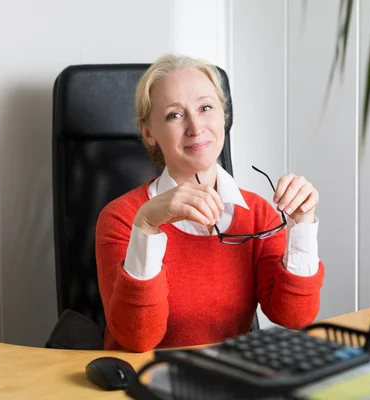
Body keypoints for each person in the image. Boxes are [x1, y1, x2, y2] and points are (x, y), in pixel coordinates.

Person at [95, 54, 325, 352]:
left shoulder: (257, 215)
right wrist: (147, 227)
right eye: (174, 115)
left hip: (225, 381)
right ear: (149, 132)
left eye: (206, 108)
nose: (195, 127)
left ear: (223, 116)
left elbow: (295, 315)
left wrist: (303, 224)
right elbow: (137, 340)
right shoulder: (122, 218)